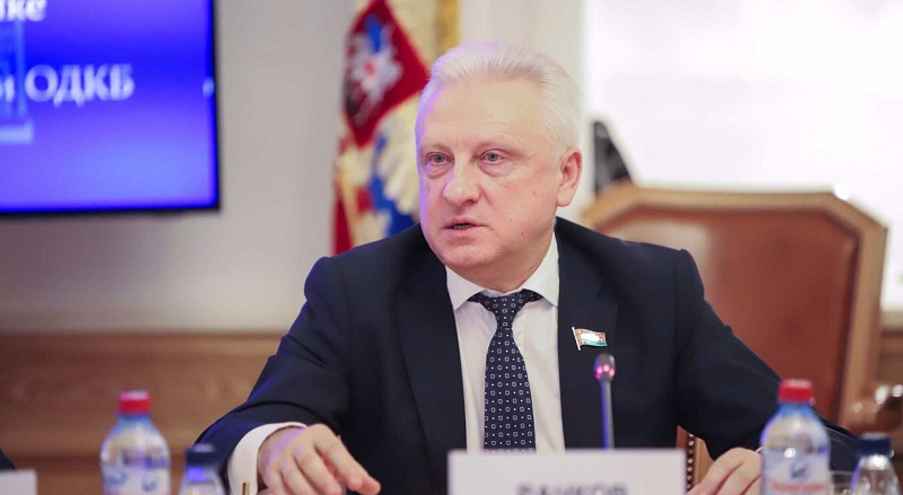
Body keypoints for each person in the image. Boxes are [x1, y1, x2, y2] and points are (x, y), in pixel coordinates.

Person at [199, 43, 856, 495]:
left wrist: (783, 464)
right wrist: (276, 444)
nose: (456, 189)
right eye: (436, 160)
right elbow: (226, 440)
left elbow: (832, 448)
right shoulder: (357, 293)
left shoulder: (652, 292)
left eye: (492, 158)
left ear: (565, 176)